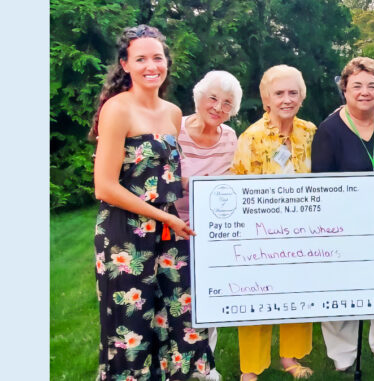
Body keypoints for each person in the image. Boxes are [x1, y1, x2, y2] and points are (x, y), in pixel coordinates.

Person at [91, 25, 215, 380]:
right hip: (124, 236)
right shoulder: (117, 109)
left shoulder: (173, 113)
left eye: (157, 57)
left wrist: (200, 185)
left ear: (166, 63)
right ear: (125, 64)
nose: (151, 65)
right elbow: (105, 187)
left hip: (169, 232)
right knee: (130, 329)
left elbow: (160, 176)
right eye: (140, 58)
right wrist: (163, 216)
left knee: (180, 318)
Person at [312, 57, 374, 371]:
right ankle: (342, 353)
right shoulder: (329, 129)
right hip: (344, 224)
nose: (365, 92)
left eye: (371, 86)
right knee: (341, 285)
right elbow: (321, 183)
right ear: (345, 90)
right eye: (357, 86)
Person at [231, 65, 316, 381]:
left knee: (296, 293)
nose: (287, 99)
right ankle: (251, 367)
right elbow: (238, 186)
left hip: (303, 231)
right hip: (262, 233)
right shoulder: (251, 137)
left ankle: (290, 356)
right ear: (266, 98)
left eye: (293, 92)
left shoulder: (310, 132)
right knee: (257, 295)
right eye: (279, 93)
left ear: (301, 96)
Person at [173, 70, 242, 381]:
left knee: (209, 300)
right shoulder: (174, 130)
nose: (218, 107)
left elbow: (232, 182)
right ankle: (173, 364)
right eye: (213, 98)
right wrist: (190, 183)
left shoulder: (230, 138)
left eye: (227, 103)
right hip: (171, 226)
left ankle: (205, 366)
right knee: (174, 301)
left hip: (210, 233)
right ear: (198, 98)